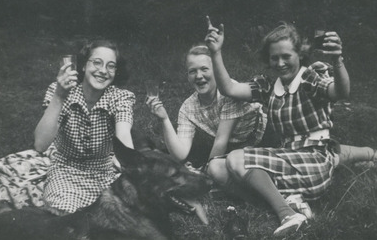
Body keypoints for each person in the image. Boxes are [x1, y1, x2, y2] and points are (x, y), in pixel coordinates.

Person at [204, 18, 377, 236]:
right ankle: (289, 201)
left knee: (237, 159)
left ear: (299, 55)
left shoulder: (309, 79)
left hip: (314, 161)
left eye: (287, 56)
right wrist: (215, 52)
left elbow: (340, 92)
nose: (280, 63)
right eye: (274, 58)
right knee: (215, 168)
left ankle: (287, 213)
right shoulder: (269, 86)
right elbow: (229, 88)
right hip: (289, 159)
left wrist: (337, 60)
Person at [34, 39, 135, 214]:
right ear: (82, 66)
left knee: (117, 218)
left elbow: (124, 135)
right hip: (65, 171)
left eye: (111, 66)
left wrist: (129, 164)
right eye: (97, 62)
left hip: (105, 174)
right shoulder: (60, 91)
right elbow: (40, 144)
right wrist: (59, 96)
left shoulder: (121, 97)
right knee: (66, 218)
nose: (103, 71)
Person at [146, 44, 266, 190]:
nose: (199, 76)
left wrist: (206, 174)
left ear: (216, 71)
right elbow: (180, 154)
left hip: (263, 135)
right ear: (187, 76)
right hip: (234, 144)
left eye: (204, 69)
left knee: (231, 173)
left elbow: (220, 141)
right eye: (192, 71)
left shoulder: (228, 94)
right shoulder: (188, 107)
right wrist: (164, 119)